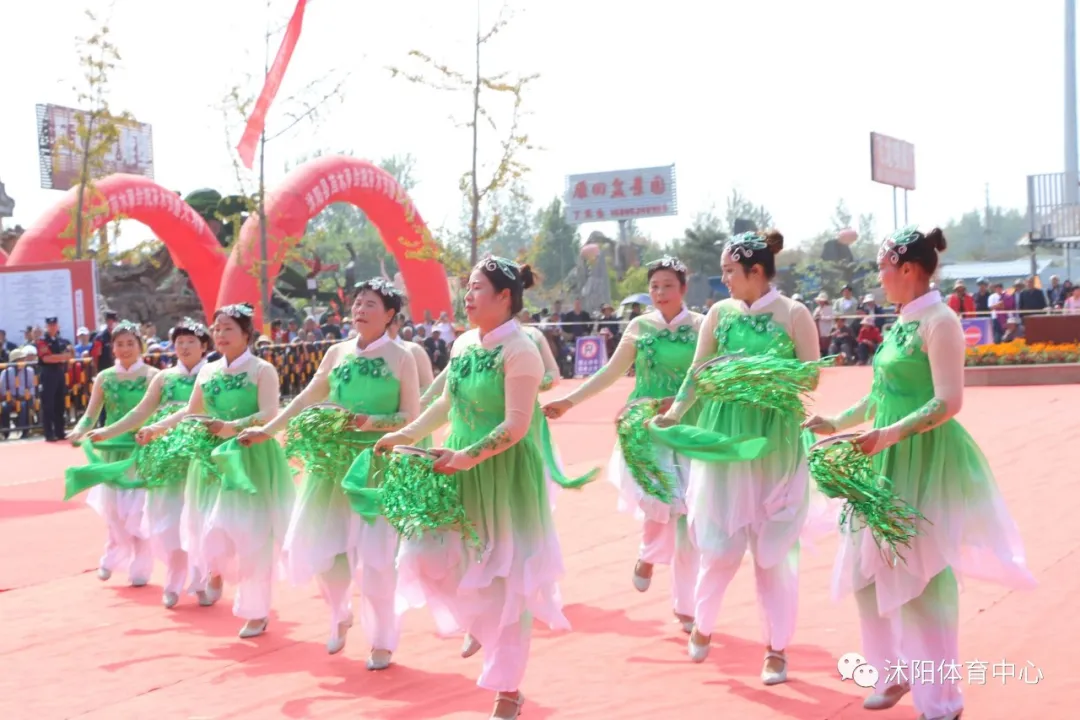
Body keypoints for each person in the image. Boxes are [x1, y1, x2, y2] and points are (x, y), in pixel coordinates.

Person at [804, 226, 1035, 720]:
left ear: (907, 269)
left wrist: (886, 436)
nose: (879, 278)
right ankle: (892, 672)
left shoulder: (940, 321)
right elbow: (882, 395)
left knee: (922, 578)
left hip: (924, 459)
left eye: (883, 268)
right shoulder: (901, 322)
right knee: (866, 569)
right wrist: (837, 422)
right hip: (882, 458)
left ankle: (942, 701)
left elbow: (948, 401)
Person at [375, 256, 567, 720]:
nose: (467, 295)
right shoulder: (462, 344)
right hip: (453, 468)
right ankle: (477, 621)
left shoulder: (520, 350)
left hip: (500, 475)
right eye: (467, 287)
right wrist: (404, 434)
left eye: (477, 287)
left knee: (507, 581)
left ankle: (507, 689)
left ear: (505, 297)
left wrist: (467, 458)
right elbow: (445, 403)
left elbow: (517, 425)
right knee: (427, 557)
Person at [657, 230, 821, 686]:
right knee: (721, 544)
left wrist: (756, 377)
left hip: (775, 441)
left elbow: (810, 378)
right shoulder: (718, 314)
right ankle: (704, 624)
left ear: (756, 271)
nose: (724, 278)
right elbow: (697, 372)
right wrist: (674, 414)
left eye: (730, 270)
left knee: (773, 553)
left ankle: (776, 650)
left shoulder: (794, 314)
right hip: (723, 439)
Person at [238, 279, 420, 668]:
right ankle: (340, 613)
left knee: (376, 561)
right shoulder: (336, 352)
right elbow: (307, 397)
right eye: (357, 302)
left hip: (377, 466)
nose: (360, 309)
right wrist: (269, 429)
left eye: (370, 304)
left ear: (389, 314)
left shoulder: (403, 357)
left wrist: (371, 421)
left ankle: (382, 640)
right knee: (323, 549)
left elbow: (411, 416)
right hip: (330, 467)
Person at [544, 256, 704, 634]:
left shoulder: (701, 326)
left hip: (690, 424)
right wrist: (570, 401)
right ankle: (648, 555)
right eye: (654, 286)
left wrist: (679, 403)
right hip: (645, 426)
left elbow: (708, 375)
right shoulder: (639, 326)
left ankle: (686, 606)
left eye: (667, 285)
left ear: (683, 288)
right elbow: (611, 371)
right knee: (660, 500)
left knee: (690, 516)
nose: (660, 293)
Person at [138, 303, 296, 638]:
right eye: (217, 328)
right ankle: (214, 572)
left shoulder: (261, 369)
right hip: (210, 461)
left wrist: (229, 426)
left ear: (246, 334)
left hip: (250, 457)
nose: (221, 334)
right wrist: (157, 429)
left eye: (228, 329)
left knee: (251, 536)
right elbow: (190, 412)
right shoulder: (208, 371)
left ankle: (255, 610)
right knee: (209, 528)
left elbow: (269, 413)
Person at [83, 319, 212, 608]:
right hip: (164, 457)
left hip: (201, 456)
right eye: (179, 342)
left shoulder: (213, 375)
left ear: (204, 346)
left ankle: (201, 580)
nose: (184, 347)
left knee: (198, 518)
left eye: (191, 342)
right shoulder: (163, 379)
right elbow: (140, 412)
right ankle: (173, 579)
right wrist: (106, 431)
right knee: (166, 520)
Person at [67, 321, 158, 586]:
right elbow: (91, 414)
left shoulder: (153, 376)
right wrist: (78, 431)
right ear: (112, 348)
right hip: (112, 447)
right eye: (120, 344)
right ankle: (113, 554)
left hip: (142, 447)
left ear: (140, 345)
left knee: (139, 508)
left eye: (131, 343)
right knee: (114, 508)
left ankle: (141, 564)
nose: (125, 349)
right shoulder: (105, 377)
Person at [36, 316, 74, 442]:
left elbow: (70, 354)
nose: (53, 327)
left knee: (60, 403)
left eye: (54, 325)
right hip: (48, 373)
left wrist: (60, 357)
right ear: (46, 326)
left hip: (59, 372)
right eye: (50, 325)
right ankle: (49, 432)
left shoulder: (61, 340)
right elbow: (47, 358)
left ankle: (60, 431)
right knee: (48, 404)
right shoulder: (42, 341)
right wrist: (62, 357)